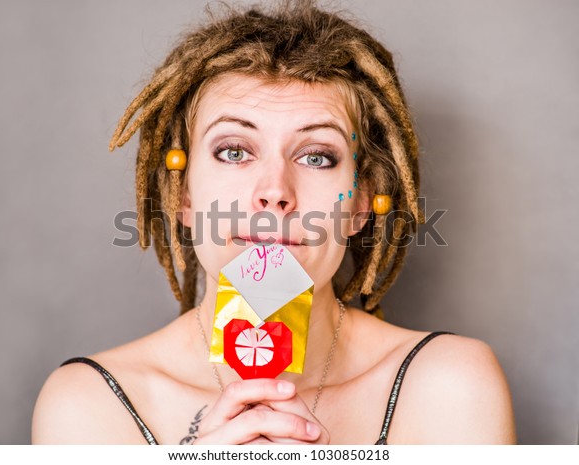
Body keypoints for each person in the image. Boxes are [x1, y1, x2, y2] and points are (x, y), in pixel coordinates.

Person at [32, 0, 516, 444]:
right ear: (182, 196)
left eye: (317, 157)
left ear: (362, 203)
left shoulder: (450, 387)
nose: (275, 192)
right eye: (235, 151)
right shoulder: (89, 404)